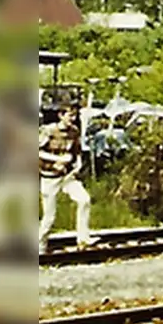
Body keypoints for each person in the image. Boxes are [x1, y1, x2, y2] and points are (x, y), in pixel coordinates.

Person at [39, 104, 96, 249]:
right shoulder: (49, 131)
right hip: (50, 177)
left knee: (84, 200)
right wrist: (55, 160)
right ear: (61, 115)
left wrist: (77, 164)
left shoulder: (74, 132)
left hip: (67, 176)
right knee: (49, 216)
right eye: (70, 115)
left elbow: (77, 152)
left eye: (75, 116)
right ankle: (40, 243)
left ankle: (83, 238)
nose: (73, 119)